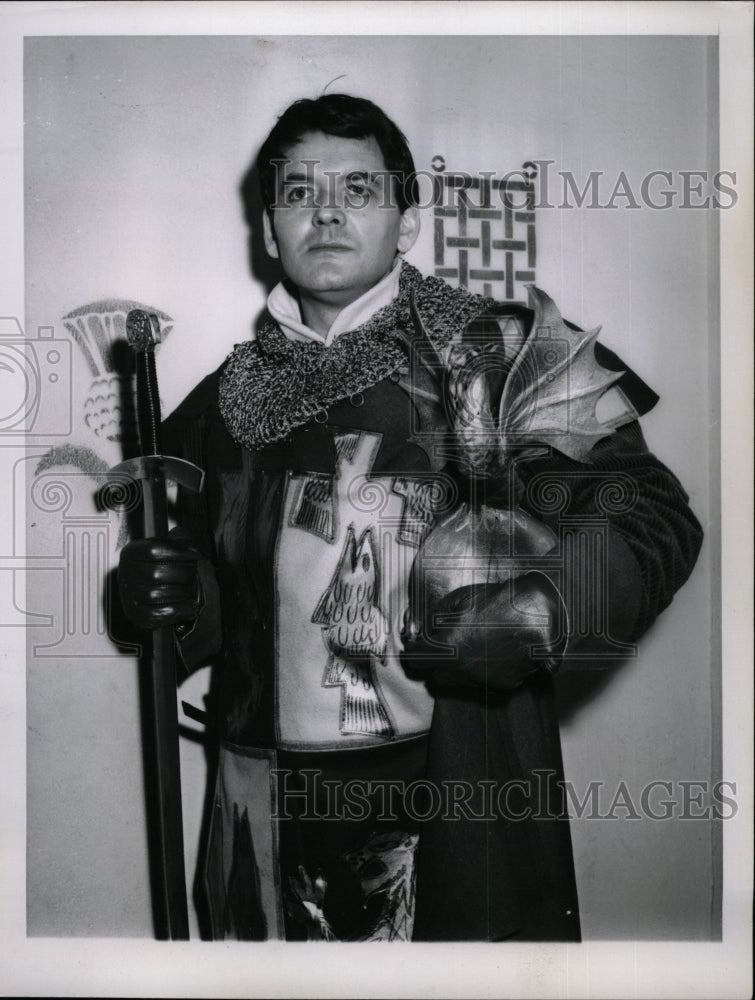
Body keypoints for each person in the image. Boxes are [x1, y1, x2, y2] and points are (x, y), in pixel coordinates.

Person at [118, 94, 703, 942]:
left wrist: (551, 602)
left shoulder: (502, 352)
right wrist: (173, 598)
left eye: (357, 188)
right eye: (297, 192)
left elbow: (652, 515)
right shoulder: (221, 402)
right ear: (267, 225)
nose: (325, 212)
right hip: (264, 804)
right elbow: (227, 608)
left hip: (451, 794)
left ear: (409, 217)